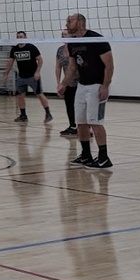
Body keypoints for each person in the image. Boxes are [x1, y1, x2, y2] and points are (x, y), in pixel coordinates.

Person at [59, 13, 115, 168]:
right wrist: (63, 84)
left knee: (95, 122)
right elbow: (72, 67)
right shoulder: (72, 43)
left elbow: (109, 66)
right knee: (81, 123)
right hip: (82, 87)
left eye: (70, 21)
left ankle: (103, 157)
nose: (66, 23)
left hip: (96, 86)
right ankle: (86, 155)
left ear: (80, 23)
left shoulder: (97, 40)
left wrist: (105, 86)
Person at [3, 30, 52, 123]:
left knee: (39, 95)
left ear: (25, 38)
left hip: (32, 76)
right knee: (19, 96)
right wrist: (6, 73)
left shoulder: (31, 47)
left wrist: (37, 72)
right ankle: (23, 115)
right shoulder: (14, 49)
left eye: (21, 37)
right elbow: (10, 62)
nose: (20, 39)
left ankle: (48, 114)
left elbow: (40, 60)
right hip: (22, 77)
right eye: (18, 37)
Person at [53, 29, 78, 136]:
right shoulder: (60, 50)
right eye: (62, 35)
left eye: (66, 34)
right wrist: (59, 83)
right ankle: (72, 126)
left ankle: (86, 128)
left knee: (80, 106)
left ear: (72, 35)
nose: (64, 36)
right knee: (69, 105)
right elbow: (58, 67)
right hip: (67, 83)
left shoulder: (77, 48)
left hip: (80, 82)